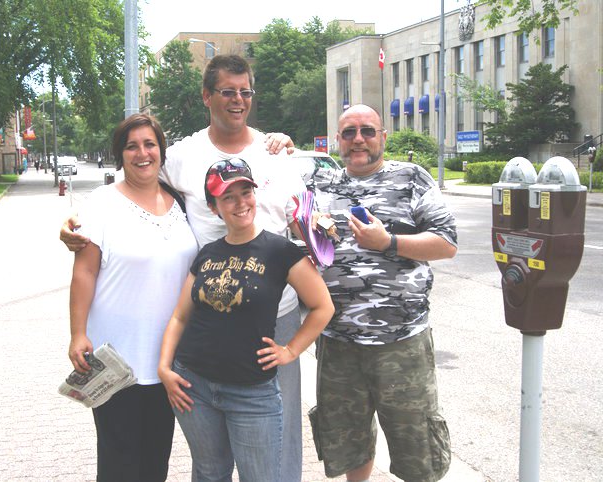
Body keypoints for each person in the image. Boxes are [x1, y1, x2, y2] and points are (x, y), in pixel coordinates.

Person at [60, 55, 308, 480]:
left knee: (274, 446)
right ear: (207, 96)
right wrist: (73, 233)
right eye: (227, 91)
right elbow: (101, 242)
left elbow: (306, 224)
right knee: (207, 458)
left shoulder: (276, 154)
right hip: (200, 326)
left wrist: (288, 143)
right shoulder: (180, 157)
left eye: (244, 91)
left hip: (271, 320)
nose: (237, 99)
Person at [158, 158, 334, 481]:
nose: (241, 203)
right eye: (228, 197)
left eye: (245, 192)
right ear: (214, 208)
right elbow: (180, 317)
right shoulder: (208, 252)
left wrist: (291, 351)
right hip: (193, 385)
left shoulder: (280, 251)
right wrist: (165, 369)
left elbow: (323, 306)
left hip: (253, 393)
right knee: (211, 473)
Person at [310, 104, 458, 482]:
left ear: (383, 136)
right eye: (348, 133)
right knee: (349, 442)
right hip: (338, 341)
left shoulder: (412, 178)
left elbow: (446, 243)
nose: (358, 139)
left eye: (367, 131)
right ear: (338, 139)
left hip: (401, 343)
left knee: (417, 448)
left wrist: (388, 242)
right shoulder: (321, 185)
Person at [68, 113, 198, 481]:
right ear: (119, 155)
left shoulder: (180, 202)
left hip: (168, 361)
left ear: (161, 150)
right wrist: (78, 334)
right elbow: (84, 272)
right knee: (119, 462)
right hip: (115, 359)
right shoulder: (101, 203)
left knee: (156, 459)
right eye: (131, 146)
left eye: (149, 144)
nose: (142, 153)